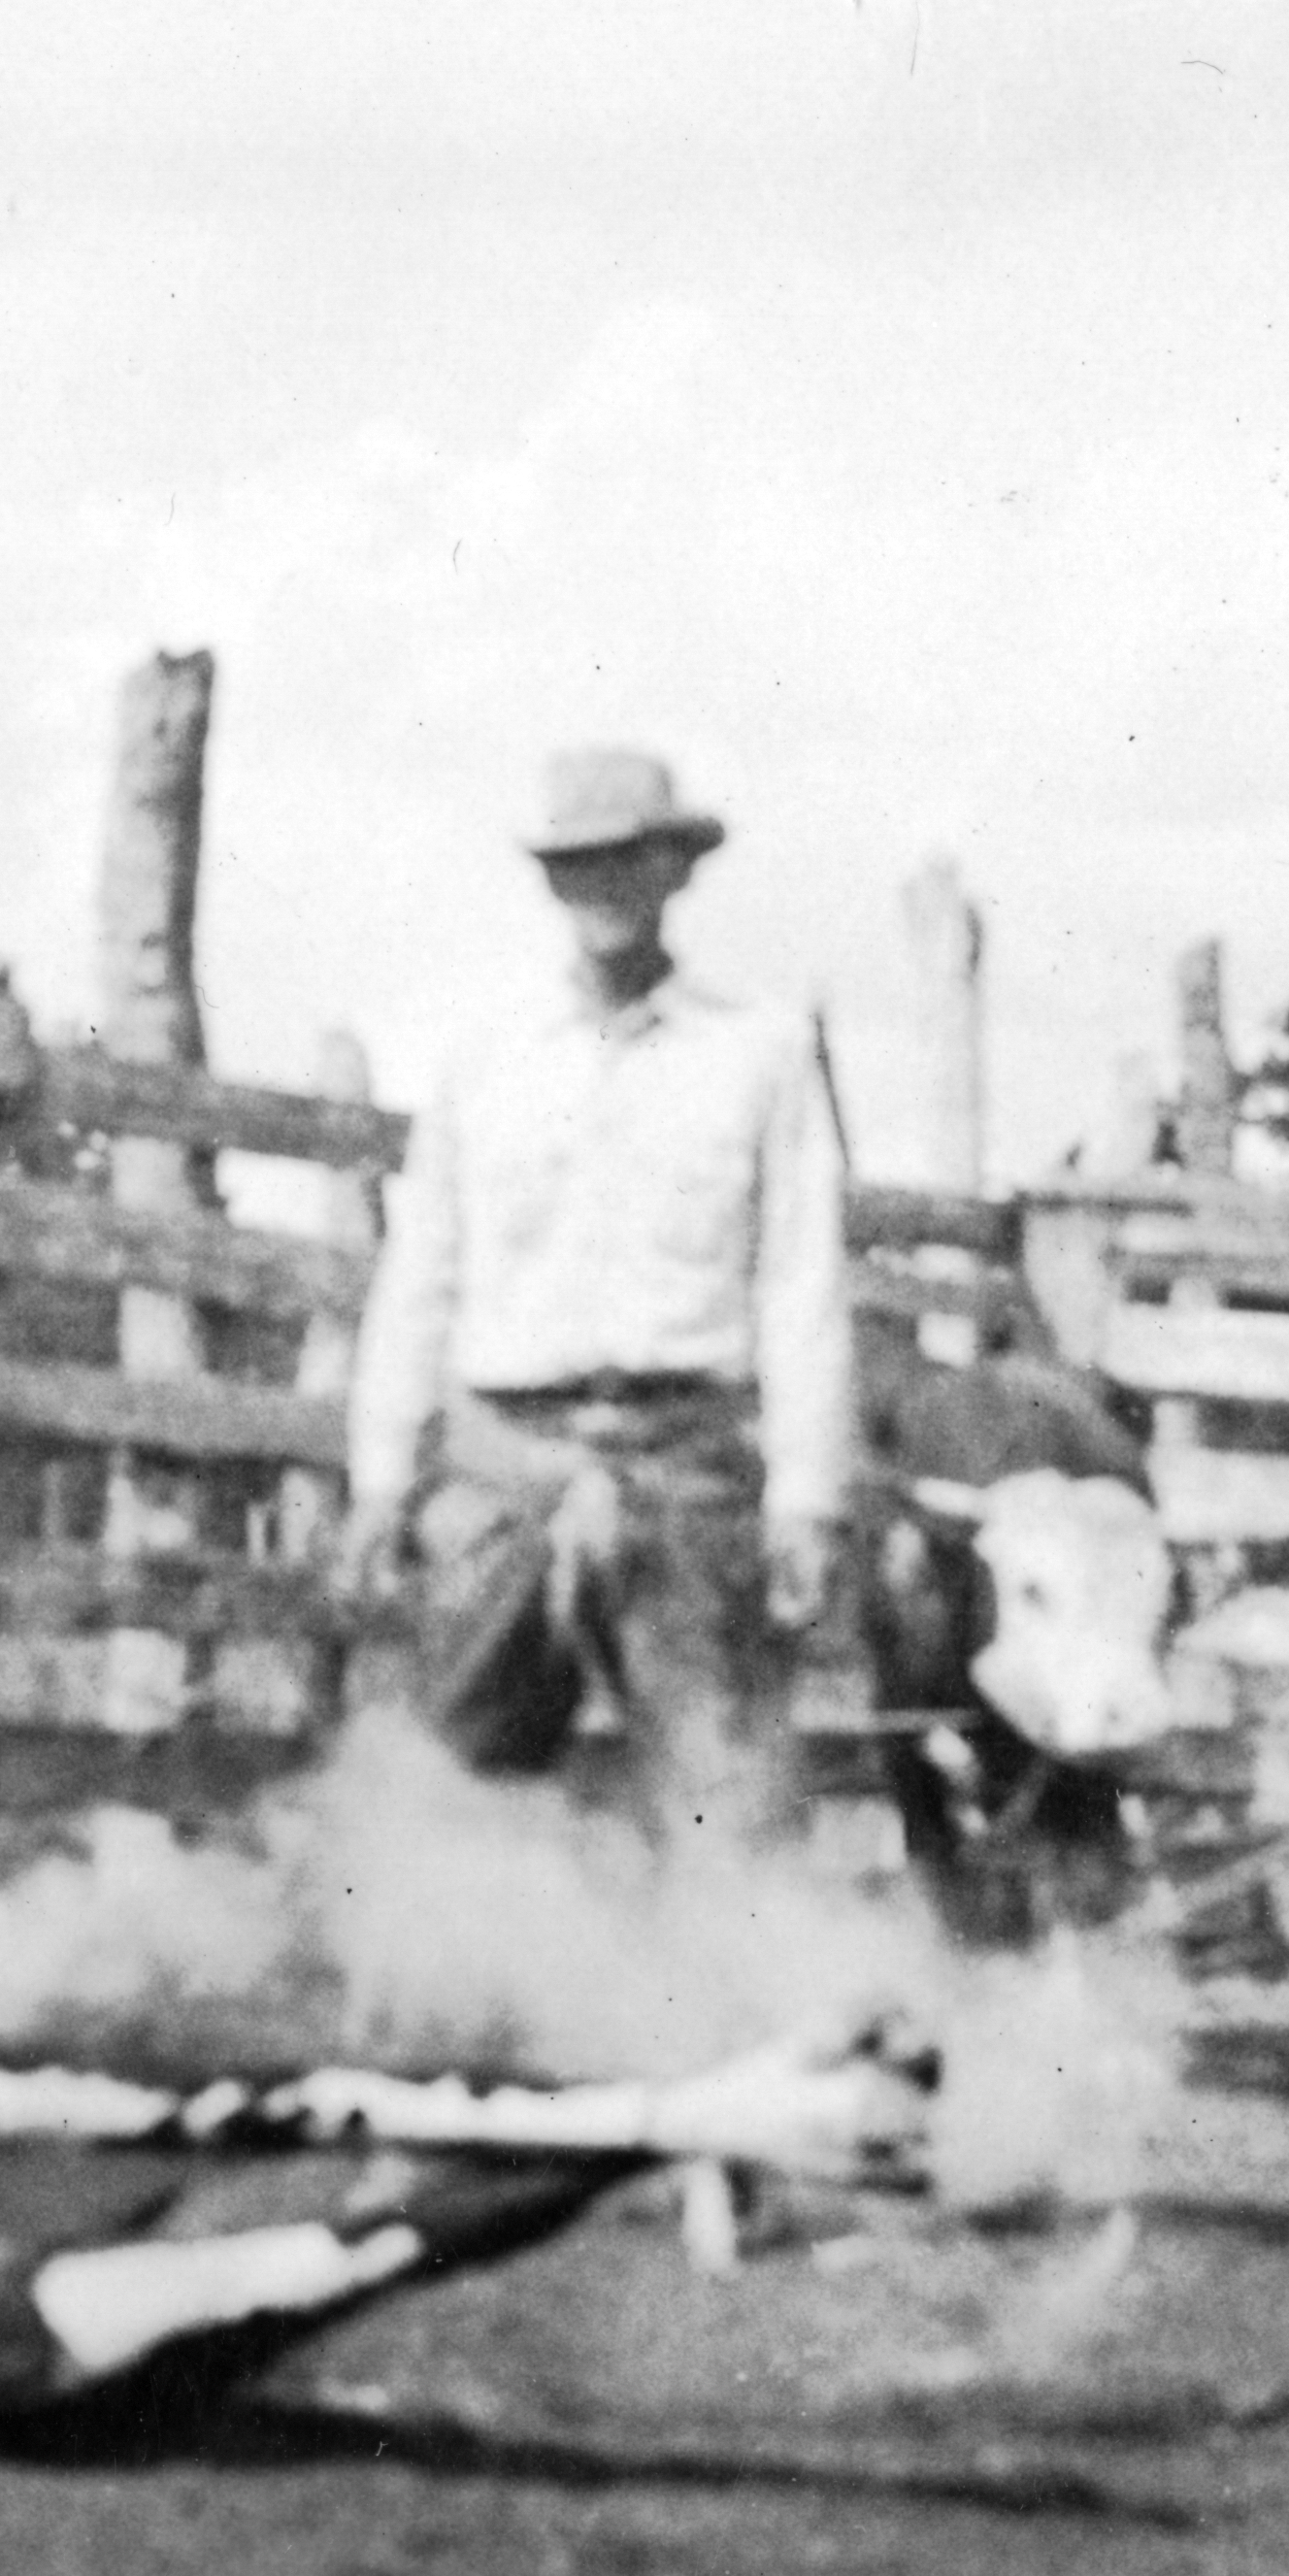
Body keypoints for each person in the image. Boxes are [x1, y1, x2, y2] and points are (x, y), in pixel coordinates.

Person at [340, 746, 856, 1857]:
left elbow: (799, 1282)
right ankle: (457, 2017)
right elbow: (419, 1272)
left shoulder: (755, 1052)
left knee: (724, 1793)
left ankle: (736, 2013)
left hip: (686, 1459)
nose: (601, 889)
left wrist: (805, 1498)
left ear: (675, 870)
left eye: (628, 861)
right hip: (503, 1461)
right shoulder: (485, 1055)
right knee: (449, 1779)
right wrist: (381, 1479)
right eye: (574, 866)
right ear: (546, 883)